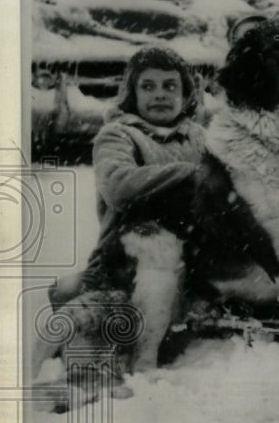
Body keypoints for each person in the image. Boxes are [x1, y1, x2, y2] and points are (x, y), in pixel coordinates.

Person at [41, 46, 207, 395]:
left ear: (186, 94)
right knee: (90, 347)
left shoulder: (200, 138)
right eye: (148, 86)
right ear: (132, 93)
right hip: (125, 261)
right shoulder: (117, 135)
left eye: (169, 86)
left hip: (193, 258)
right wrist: (190, 174)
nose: (160, 94)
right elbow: (118, 186)